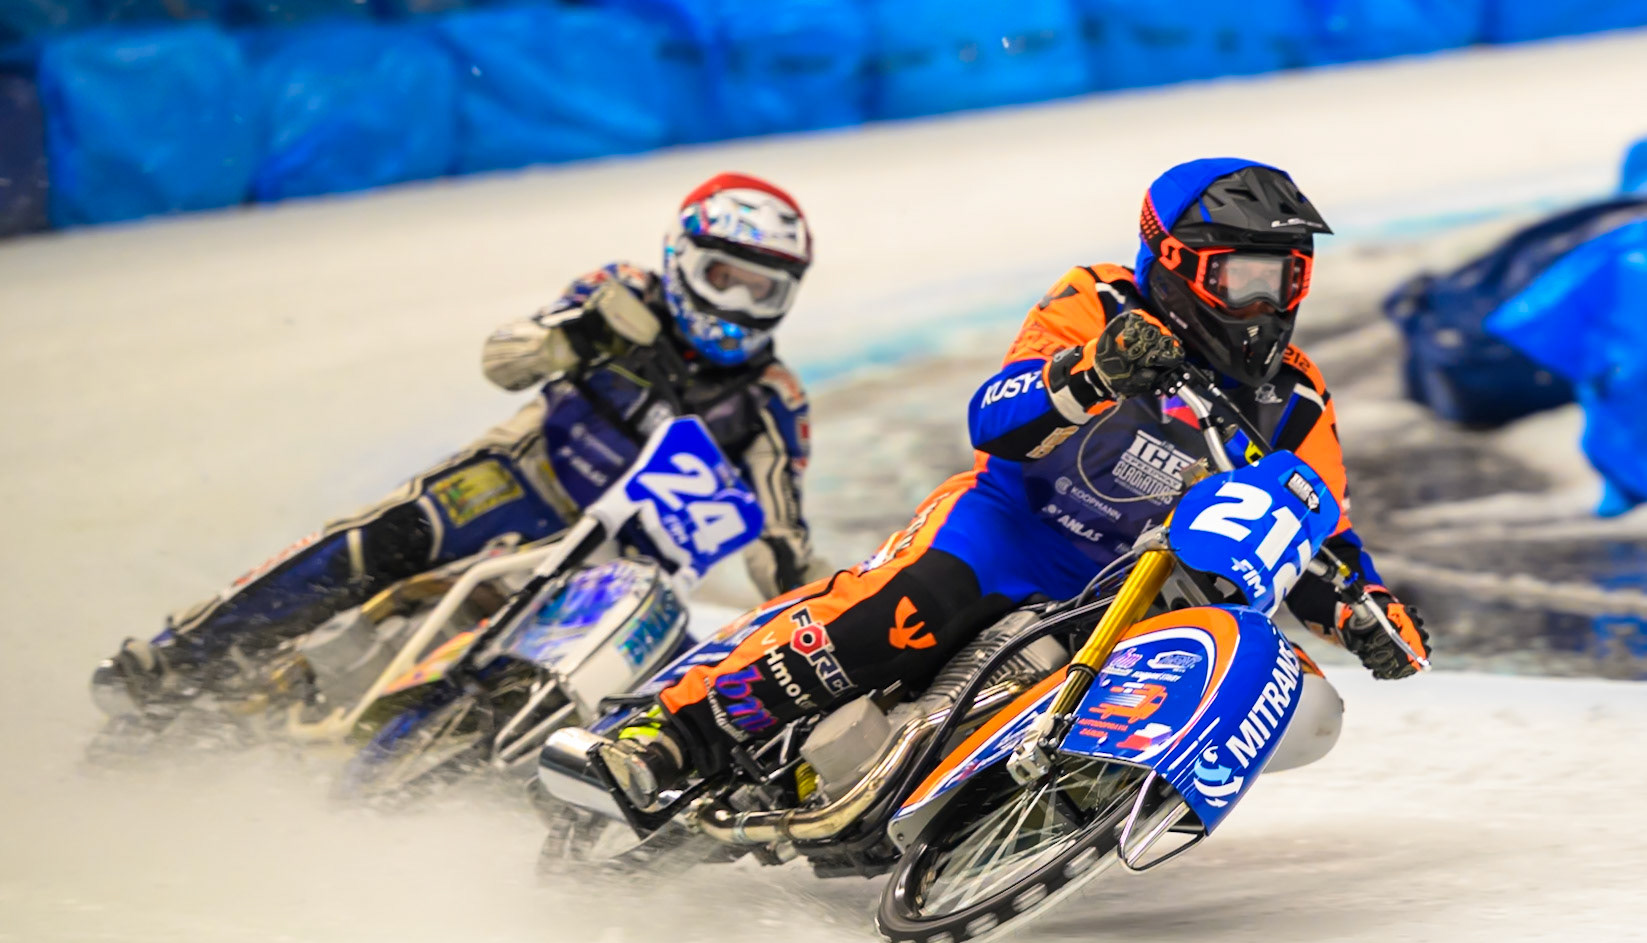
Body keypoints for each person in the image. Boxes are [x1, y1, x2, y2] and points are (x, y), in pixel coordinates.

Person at [599, 157, 1432, 809]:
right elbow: (993, 417)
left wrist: (1365, 611)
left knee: (1284, 704)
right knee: (901, 608)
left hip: (1144, 591)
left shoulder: (1296, 394)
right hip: (1016, 525)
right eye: (1242, 279)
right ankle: (672, 730)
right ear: (1175, 263)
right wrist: (1091, 372)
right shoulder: (1095, 301)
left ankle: (1041, 804)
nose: (1264, 304)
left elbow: (1316, 526)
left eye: (1283, 279)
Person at [93, 172, 830, 717]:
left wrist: (820, 609)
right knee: (375, 539)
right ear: (680, 259)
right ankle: (183, 656)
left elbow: (777, 537)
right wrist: (577, 336)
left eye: (760, 291)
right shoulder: (619, 292)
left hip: (618, 559)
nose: (735, 304)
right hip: (525, 474)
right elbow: (502, 359)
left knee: (587, 680)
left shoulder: (772, 399)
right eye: (722, 278)